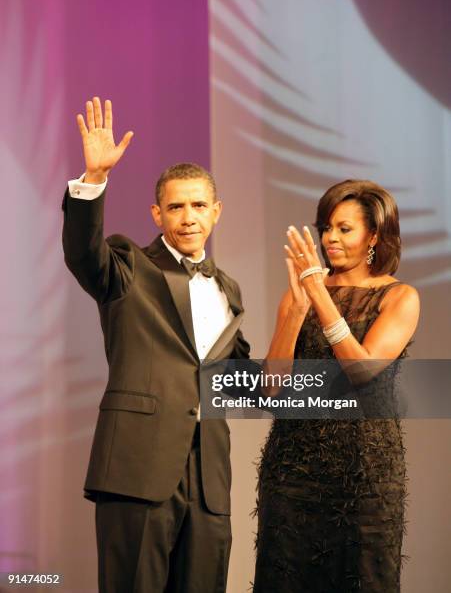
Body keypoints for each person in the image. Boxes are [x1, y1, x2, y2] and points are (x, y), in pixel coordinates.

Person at [62, 97, 250, 593]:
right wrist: (93, 179)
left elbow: (241, 383)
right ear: (157, 213)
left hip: (209, 480)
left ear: (216, 212)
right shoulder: (128, 265)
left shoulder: (227, 287)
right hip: (136, 472)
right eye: (176, 206)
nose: (188, 218)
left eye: (198, 205)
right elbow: (84, 254)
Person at [253, 180, 420, 592]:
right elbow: (270, 388)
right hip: (293, 471)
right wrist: (296, 309)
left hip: (365, 474)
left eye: (344, 229)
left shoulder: (399, 298)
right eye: (326, 227)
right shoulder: (301, 293)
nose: (329, 238)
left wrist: (318, 295)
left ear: (374, 236)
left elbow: (362, 371)